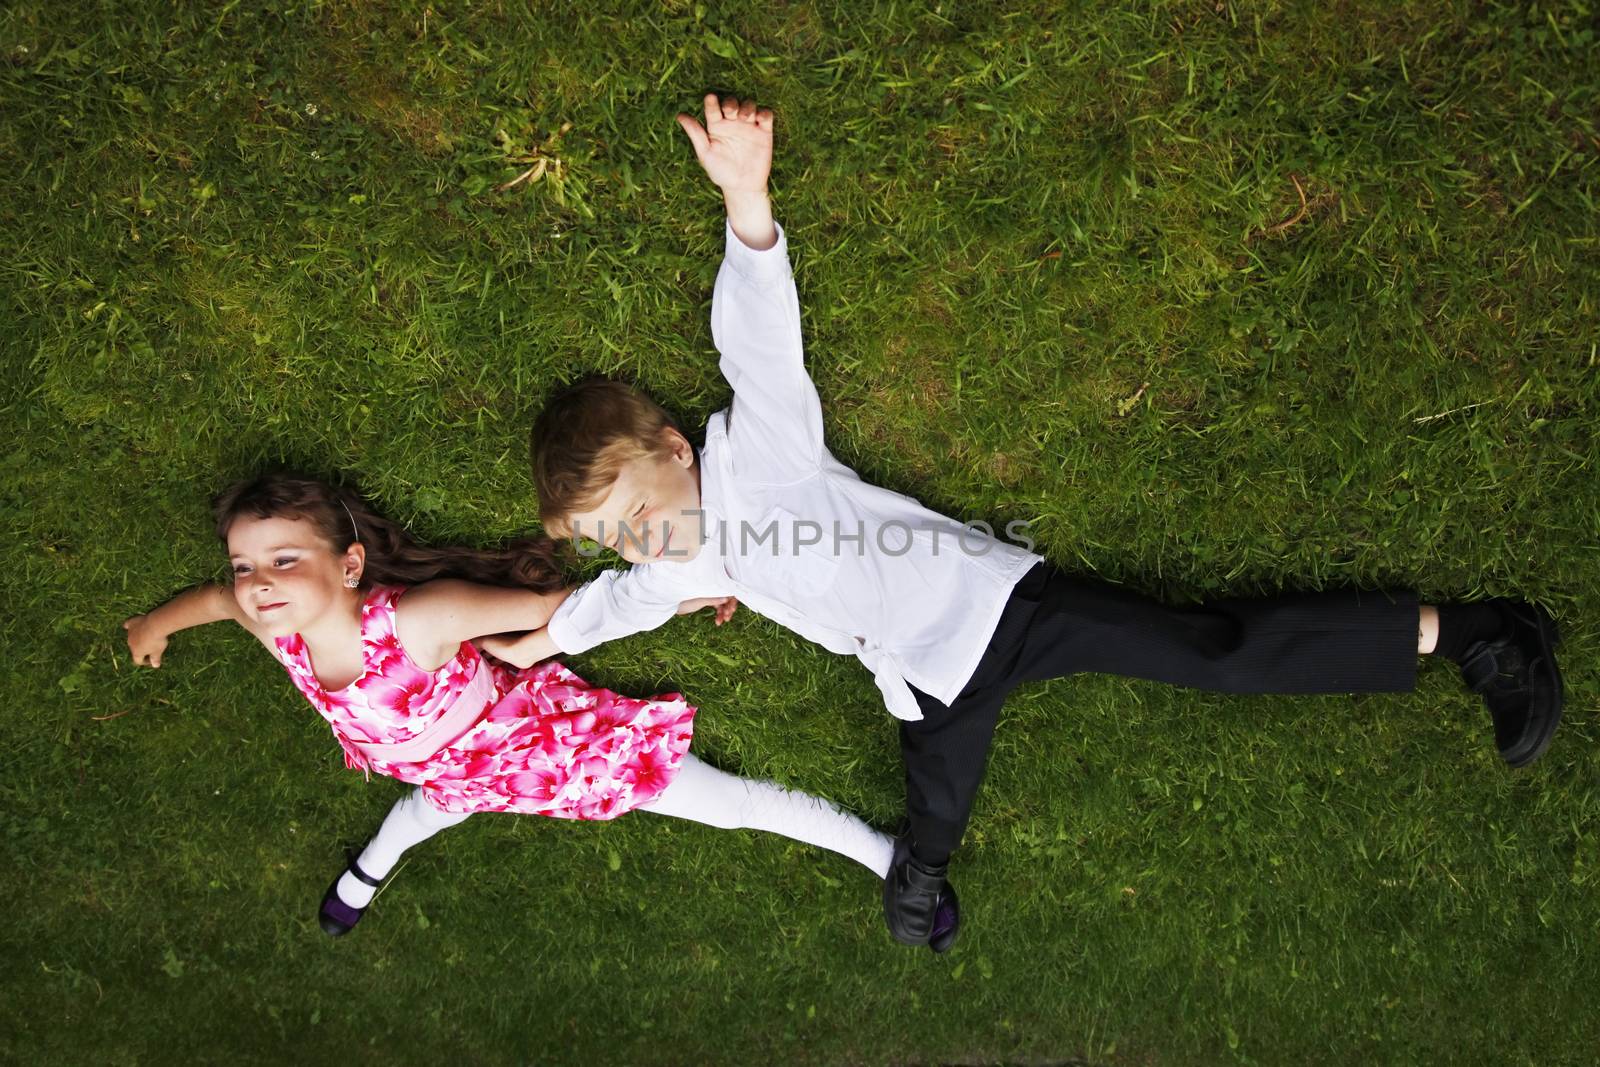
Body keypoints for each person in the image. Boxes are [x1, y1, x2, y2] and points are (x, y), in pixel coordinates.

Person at [500, 94, 1565, 954]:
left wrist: (748, 198)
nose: (640, 541)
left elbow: (760, 340)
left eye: (636, 512)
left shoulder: (759, 450)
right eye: (615, 535)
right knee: (934, 813)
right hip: (921, 681)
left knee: (1215, 652)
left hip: (1001, 605)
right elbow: (611, 605)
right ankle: (919, 874)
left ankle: (1476, 632)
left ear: (676, 449)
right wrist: (541, 638)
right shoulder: (666, 567)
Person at [122, 473, 893, 936]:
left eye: (284, 560)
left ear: (350, 563)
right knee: (427, 809)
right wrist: (155, 623)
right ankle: (367, 871)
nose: (258, 581)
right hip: (449, 773)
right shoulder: (274, 626)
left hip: (539, 747)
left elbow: (550, 606)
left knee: (723, 803)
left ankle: (884, 857)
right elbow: (220, 603)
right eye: (248, 562)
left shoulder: (417, 622)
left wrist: (686, 595)